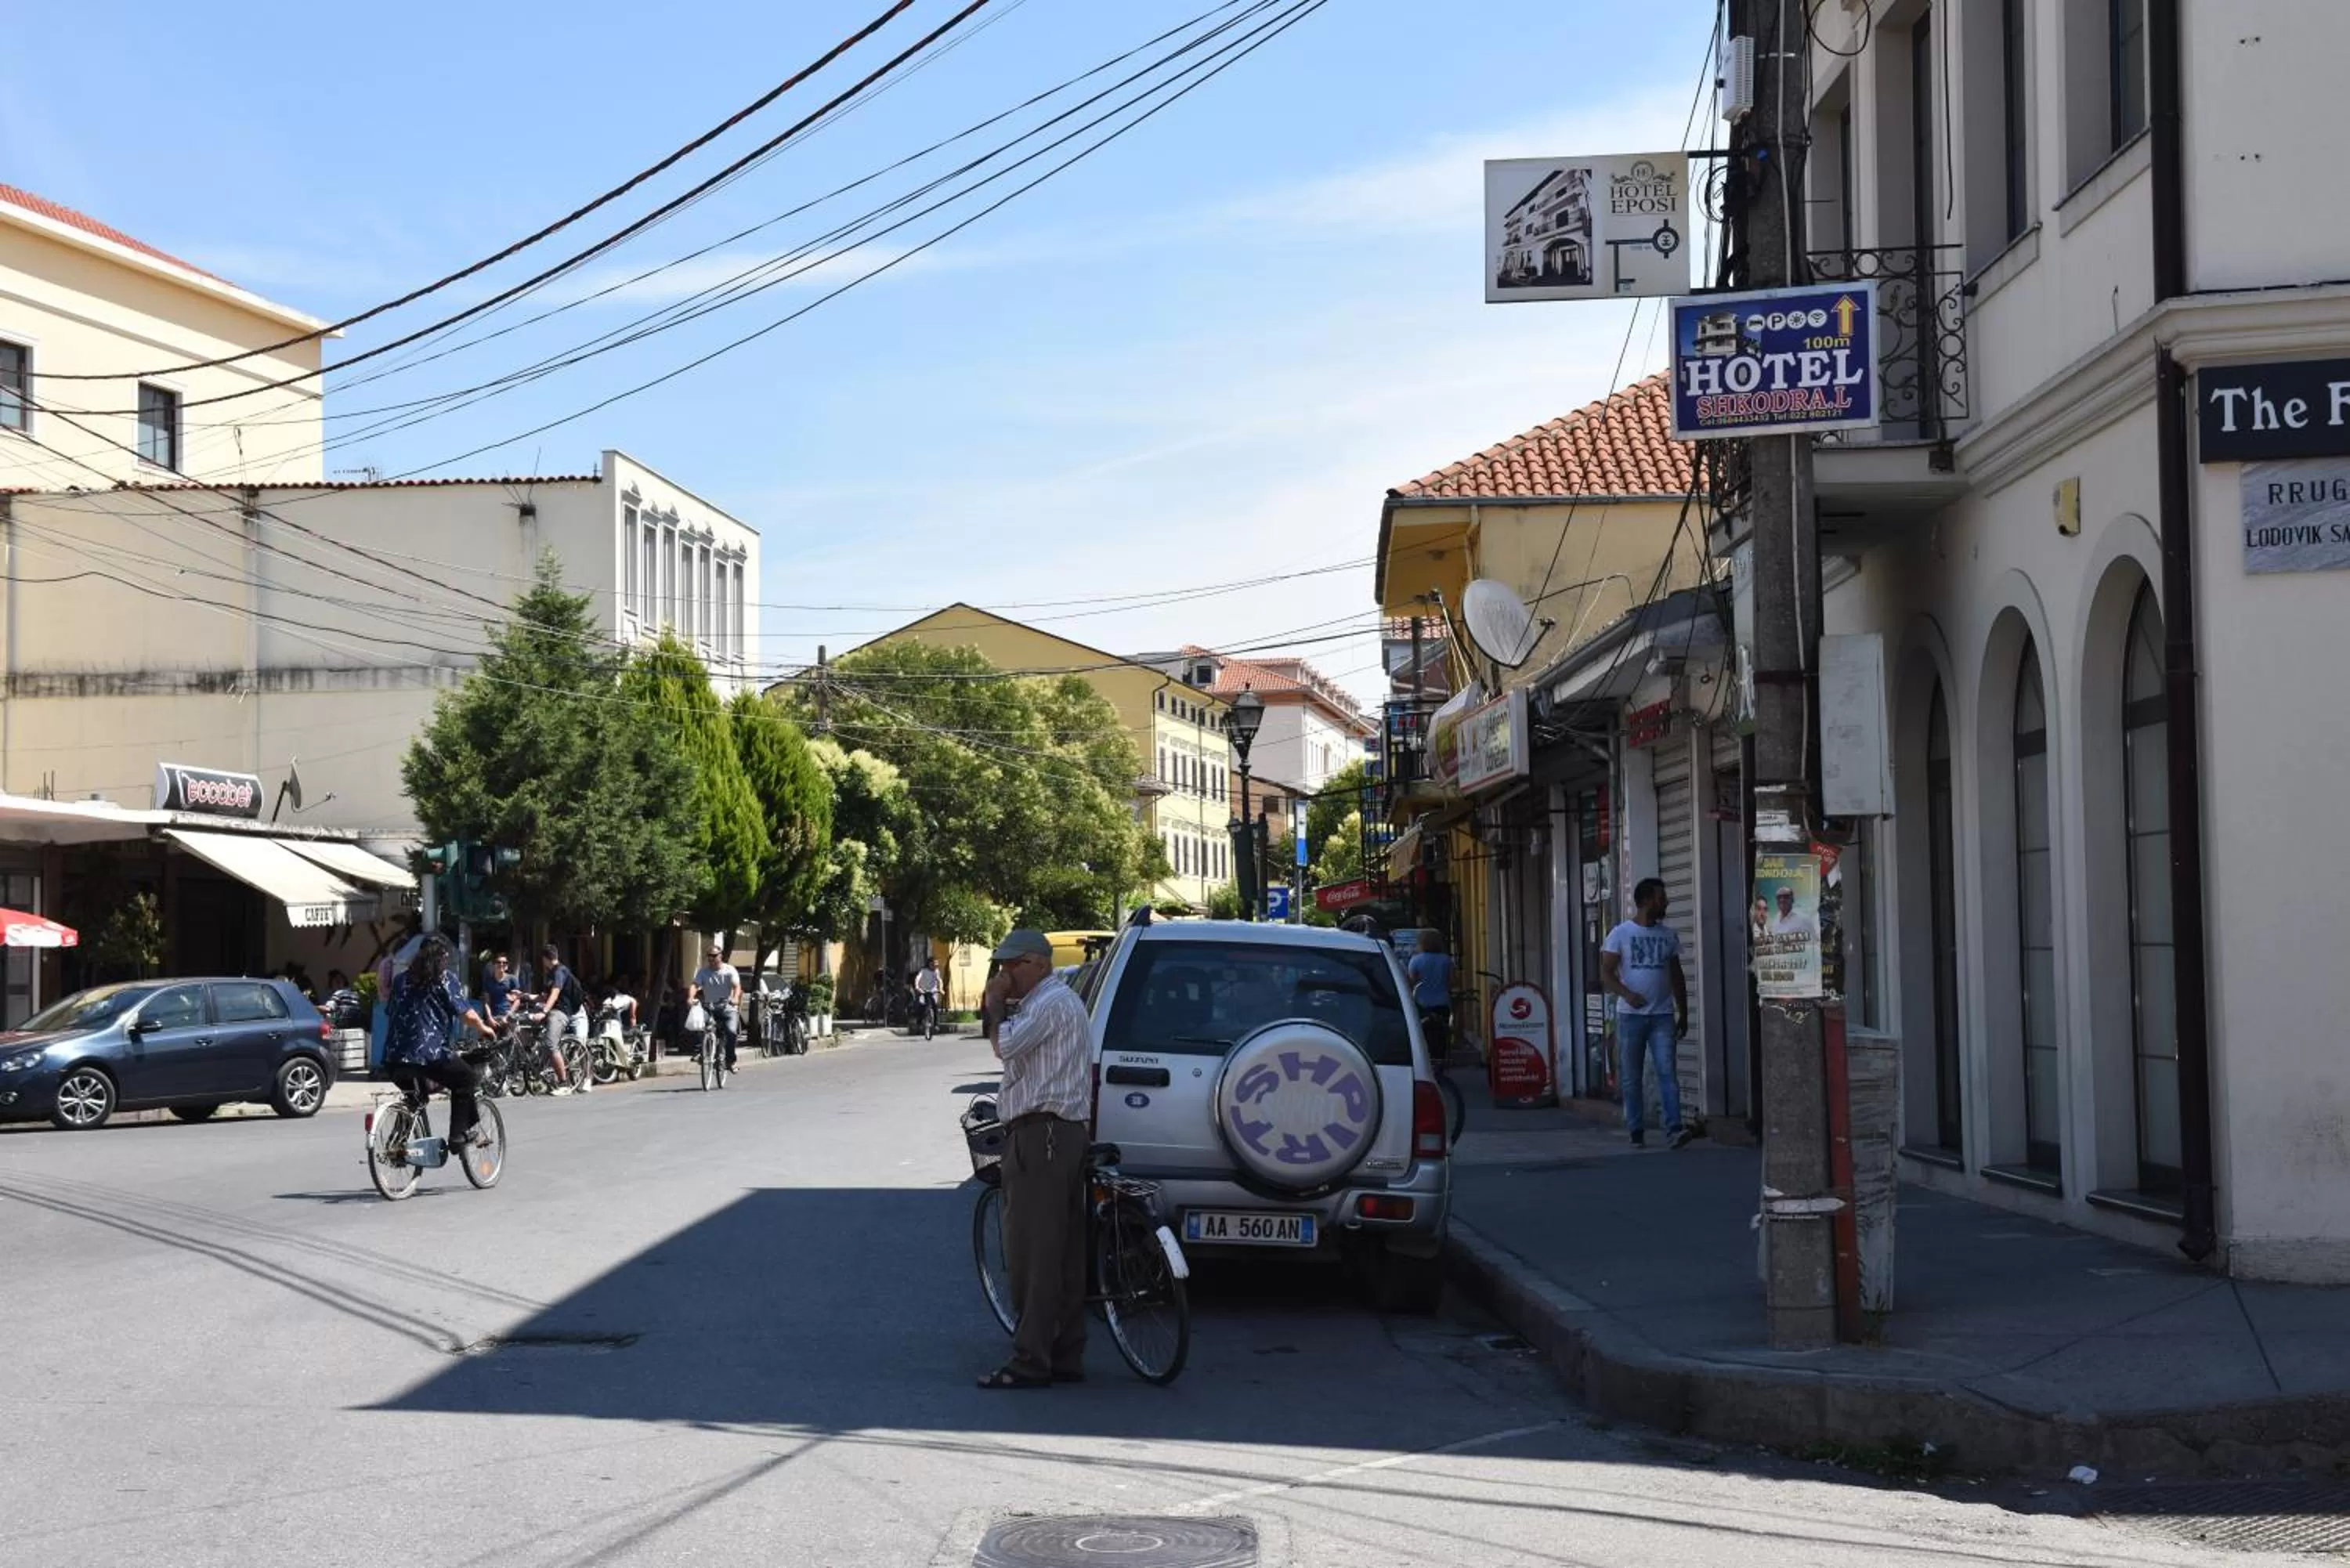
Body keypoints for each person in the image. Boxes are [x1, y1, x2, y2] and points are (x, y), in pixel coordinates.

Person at [976, 929, 1094, 1390]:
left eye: (1014, 965)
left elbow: (1003, 1047)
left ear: (1040, 964)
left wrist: (993, 1001)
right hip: (1057, 1134)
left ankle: (1031, 1359)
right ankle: (1064, 1351)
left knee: (1034, 1252)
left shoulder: (1049, 1004)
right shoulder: (1049, 1003)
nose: (1006, 973)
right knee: (1062, 1252)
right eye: (1002, 966)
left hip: (1042, 1135)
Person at [1600, 877, 1693, 1150]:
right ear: (1645, 901)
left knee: (1668, 1072)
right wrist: (1627, 994)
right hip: (1631, 1016)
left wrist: (1683, 1012)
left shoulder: (1668, 936)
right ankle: (1636, 1128)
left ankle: (1674, 1128)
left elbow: (1677, 977)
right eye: (1661, 899)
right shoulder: (1620, 933)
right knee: (1631, 1076)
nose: (1666, 903)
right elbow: (1606, 973)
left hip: (1663, 1015)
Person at [384, 934, 492, 1149]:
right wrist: (485, 1028)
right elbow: (467, 1015)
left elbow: (391, 1012)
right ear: (442, 957)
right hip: (429, 1054)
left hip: (393, 1057)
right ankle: (457, 1137)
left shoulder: (400, 980)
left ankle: (396, 1147)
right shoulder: (444, 979)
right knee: (465, 1079)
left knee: (416, 1098)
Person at [533, 943, 588, 1094]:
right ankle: (545, 1077)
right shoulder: (552, 973)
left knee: (551, 1044)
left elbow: (555, 993)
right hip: (556, 1011)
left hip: (561, 1012)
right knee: (545, 1042)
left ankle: (564, 1084)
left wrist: (544, 1011)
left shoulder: (560, 971)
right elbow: (544, 996)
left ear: (545, 959)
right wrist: (523, 996)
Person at [692, 943, 743, 1071]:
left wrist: (735, 998)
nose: (711, 958)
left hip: (727, 1008)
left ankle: (730, 1061)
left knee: (731, 1032)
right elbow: (695, 985)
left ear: (721, 956)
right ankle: (701, 1052)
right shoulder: (703, 972)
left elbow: (737, 986)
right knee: (697, 1023)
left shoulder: (729, 970)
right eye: (709, 956)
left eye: (714, 956)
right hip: (709, 1007)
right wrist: (690, 998)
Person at [1405, 930, 1455, 1060]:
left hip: (1421, 1004)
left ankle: (1426, 1060)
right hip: (1442, 1003)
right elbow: (1452, 982)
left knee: (1423, 1035)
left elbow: (1410, 983)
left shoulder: (1416, 961)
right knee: (1441, 1034)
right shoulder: (1446, 960)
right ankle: (1440, 1059)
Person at [479, 955, 519, 1025]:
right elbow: (486, 1002)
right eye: (498, 962)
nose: (501, 964)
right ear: (494, 965)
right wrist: (490, 1018)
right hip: (492, 1018)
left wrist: (507, 1016)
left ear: (507, 966)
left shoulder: (512, 979)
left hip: (509, 1017)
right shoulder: (488, 981)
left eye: (505, 962)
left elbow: (517, 1000)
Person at [913, 954, 942, 1033]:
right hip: (924, 991)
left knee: (935, 1007)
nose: (935, 966)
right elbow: (917, 978)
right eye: (934, 964)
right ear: (929, 964)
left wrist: (941, 989)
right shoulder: (923, 971)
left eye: (936, 964)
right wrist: (917, 986)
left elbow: (939, 980)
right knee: (922, 1007)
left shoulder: (936, 971)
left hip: (933, 992)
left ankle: (936, 1025)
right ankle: (919, 1024)